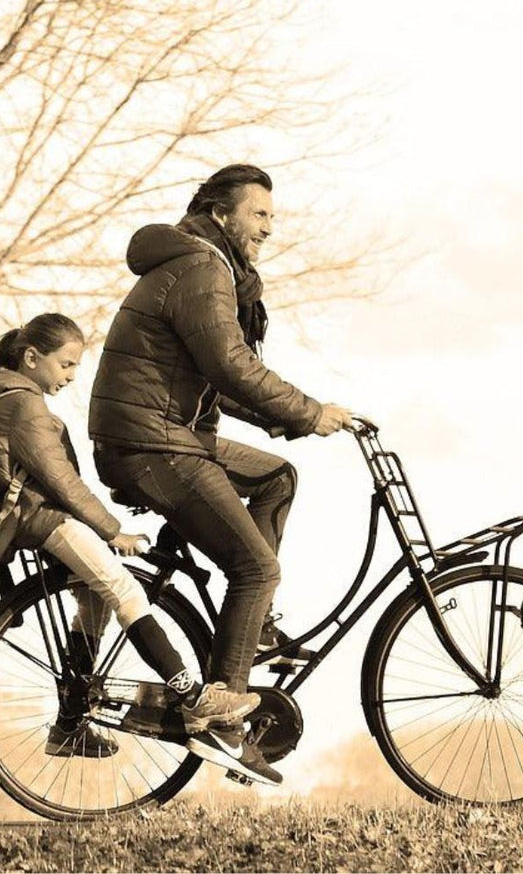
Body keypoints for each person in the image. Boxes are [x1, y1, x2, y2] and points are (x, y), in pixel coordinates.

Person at [88, 163, 354, 783]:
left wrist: (285, 422)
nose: (268, 227)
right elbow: (230, 363)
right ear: (220, 214)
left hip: (163, 435)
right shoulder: (203, 266)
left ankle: (249, 623)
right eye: (258, 214)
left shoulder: (198, 263)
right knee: (256, 566)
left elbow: (211, 373)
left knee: (275, 478)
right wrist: (310, 410)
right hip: (153, 444)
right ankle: (224, 721)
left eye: (270, 215)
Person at [0, 313, 259, 759]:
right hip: (40, 520)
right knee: (123, 587)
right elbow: (62, 482)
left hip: (31, 518)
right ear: (31, 357)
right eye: (66, 365)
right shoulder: (21, 406)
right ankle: (194, 698)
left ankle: (68, 725)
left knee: (95, 598)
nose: (72, 377)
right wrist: (112, 531)